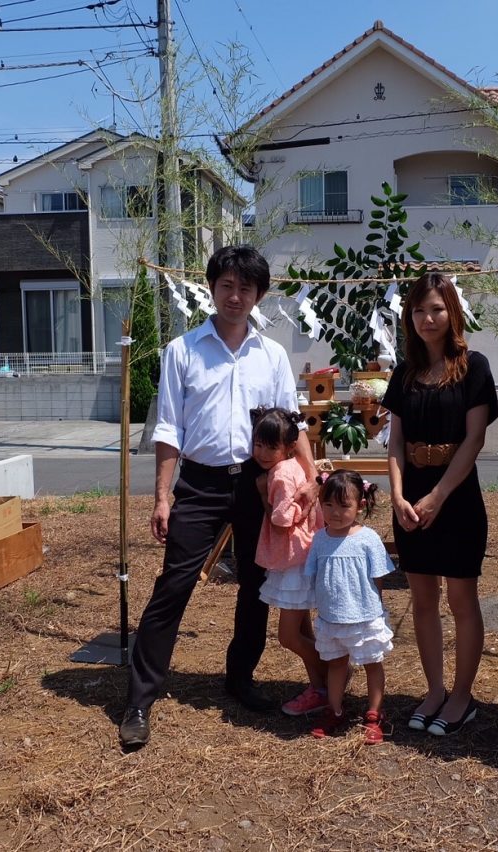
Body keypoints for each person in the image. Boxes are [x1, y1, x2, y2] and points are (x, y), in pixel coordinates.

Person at [120, 245, 317, 749]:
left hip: (258, 482)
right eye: (227, 285)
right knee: (174, 585)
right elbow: (168, 429)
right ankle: (139, 698)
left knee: (255, 584)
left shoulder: (271, 355)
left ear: (259, 295)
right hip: (200, 484)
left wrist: (311, 479)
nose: (235, 295)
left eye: (245, 288)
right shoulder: (182, 351)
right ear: (212, 288)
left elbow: (291, 426)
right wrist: (162, 497)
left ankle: (240, 677)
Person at [381, 272, 498, 737]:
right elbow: (395, 442)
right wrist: (397, 495)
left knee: (462, 600)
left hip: (457, 496)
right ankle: (434, 690)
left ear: (453, 312)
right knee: (423, 600)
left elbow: (474, 440)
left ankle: (462, 696)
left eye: (436, 309)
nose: (427, 318)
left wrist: (438, 495)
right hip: (411, 497)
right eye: (418, 310)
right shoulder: (404, 373)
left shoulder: (474, 367)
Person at [302, 470, 395, 745]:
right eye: (328, 504)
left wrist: (376, 609)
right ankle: (335, 710)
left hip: (365, 617)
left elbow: (378, 577)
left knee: (372, 663)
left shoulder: (368, 538)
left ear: (360, 505)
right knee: (336, 664)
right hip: (331, 618)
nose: (335, 512)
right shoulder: (320, 539)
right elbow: (314, 574)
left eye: (344, 506)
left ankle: (374, 715)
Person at [250, 406, 329, 717]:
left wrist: (262, 494)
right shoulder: (295, 467)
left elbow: (282, 519)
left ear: (289, 447)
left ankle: (334, 670)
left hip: (294, 560)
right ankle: (320, 689)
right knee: (304, 629)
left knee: (288, 636)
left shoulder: (280, 475)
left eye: (271, 447)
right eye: (258, 444)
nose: (262, 453)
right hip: (302, 555)